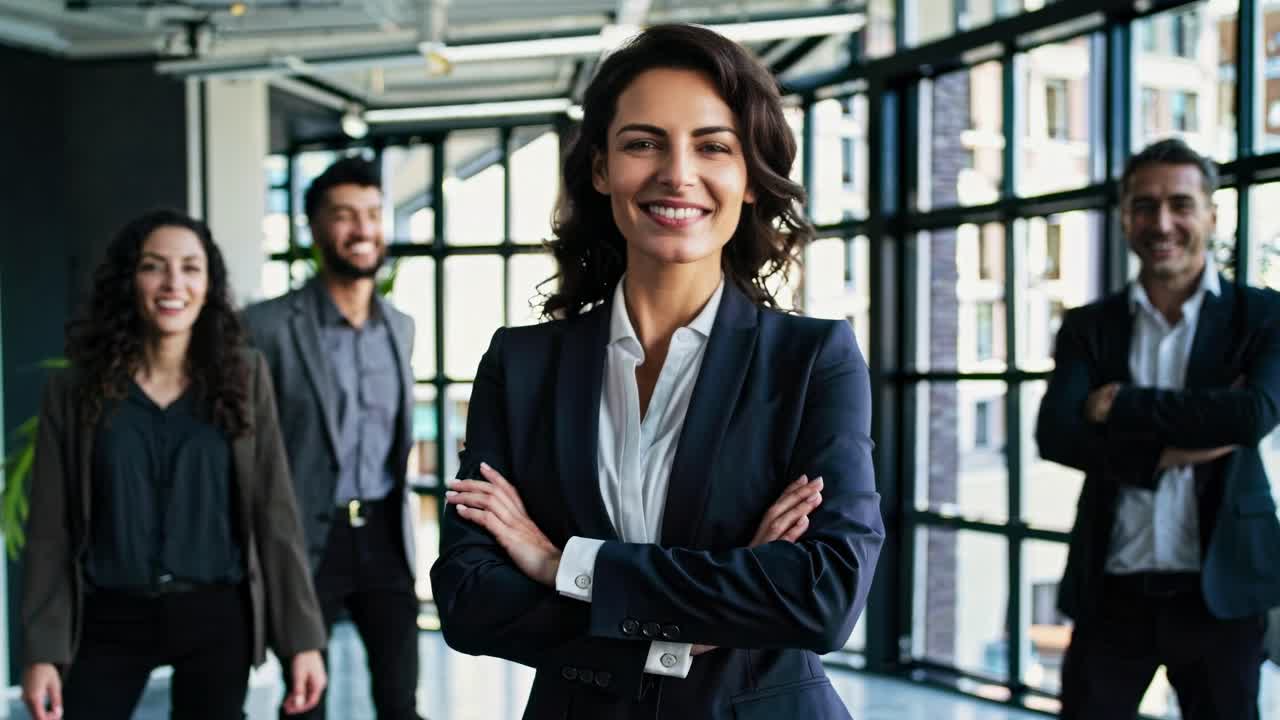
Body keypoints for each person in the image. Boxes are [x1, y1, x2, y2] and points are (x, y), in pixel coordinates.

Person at [430, 23, 883, 720]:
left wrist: (563, 566)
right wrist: (702, 618)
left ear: (750, 178)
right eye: (644, 142)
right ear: (602, 168)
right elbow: (468, 598)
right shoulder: (520, 366)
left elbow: (819, 596)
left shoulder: (814, 362)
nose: (678, 173)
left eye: (713, 147)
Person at [20, 209, 327, 720]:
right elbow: (49, 529)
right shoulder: (74, 389)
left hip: (217, 617)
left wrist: (302, 642)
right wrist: (41, 652)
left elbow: (276, 515)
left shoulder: (245, 377)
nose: (173, 284)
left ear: (209, 284)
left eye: (190, 267)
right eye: (153, 266)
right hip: (108, 617)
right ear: (129, 281)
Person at [1036, 137, 1280, 719]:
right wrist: (1170, 452)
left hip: (1221, 593)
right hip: (1111, 592)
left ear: (1211, 215)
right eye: (1144, 206)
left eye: (1180, 203)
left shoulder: (1263, 316)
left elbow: (1252, 417)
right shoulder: (1089, 327)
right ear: (1124, 216)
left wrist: (1119, 403)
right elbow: (1057, 434)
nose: (1161, 222)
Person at [243, 157, 422, 720]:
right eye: (344, 216)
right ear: (316, 228)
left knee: (400, 698)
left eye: (373, 214)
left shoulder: (400, 327)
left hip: (385, 536)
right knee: (305, 704)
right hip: (305, 541)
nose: (363, 230)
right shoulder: (267, 327)